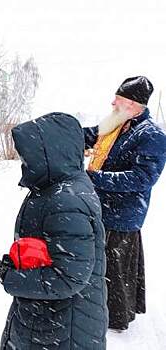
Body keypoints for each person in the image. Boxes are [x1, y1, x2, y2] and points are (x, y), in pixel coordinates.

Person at [0, 112, 108, 350]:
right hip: (48, 321)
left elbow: (68, 278)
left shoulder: (67, 200)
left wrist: (12, 278)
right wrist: (18, 263)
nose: (24, 162)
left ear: (49, 152)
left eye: (28, 155)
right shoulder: (53, 186)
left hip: (62, 328)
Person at [83, 76, 166, 332]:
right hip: (105, 209)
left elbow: (143, 178)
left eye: (117, 100)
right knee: (104, 263)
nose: (112, 104)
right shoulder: (119, 125)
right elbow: (90, 137)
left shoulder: (151, 135)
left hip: (123, 214)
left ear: (133, 104)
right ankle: (103, 309)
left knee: (116, 269)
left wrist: (95, 178)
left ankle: (117, 318)